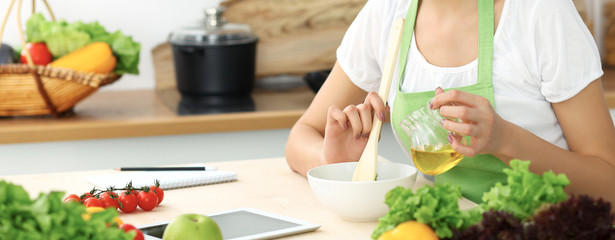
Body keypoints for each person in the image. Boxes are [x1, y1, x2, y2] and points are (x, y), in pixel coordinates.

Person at [285, 0, 615, 204]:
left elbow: (609, 183)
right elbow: (302, 136)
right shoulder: (389, 12)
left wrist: (505, 140)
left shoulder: (539, 12)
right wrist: (333, 163)